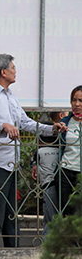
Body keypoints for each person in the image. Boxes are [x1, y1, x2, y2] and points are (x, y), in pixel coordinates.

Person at [0, 53, 67, 247]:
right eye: (13, 68)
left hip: (10, 165)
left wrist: (51, 128)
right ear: (3, 71)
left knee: (10, 217)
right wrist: (2, 126)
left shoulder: (11, 98)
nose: (16, 71)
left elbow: (25, 123)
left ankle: (12, 254)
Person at [54, 86, 82, 217]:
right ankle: (67, 238)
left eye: (81, 100)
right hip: (65, 171)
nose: (77, 104)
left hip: (80, 173)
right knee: (65, 212)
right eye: (74, 100)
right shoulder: (65, 121)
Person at [30, 130, 59, 235]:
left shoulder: (39, 152)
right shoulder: (60, 150)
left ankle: (49, 243)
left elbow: (33, 163)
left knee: (49, 216)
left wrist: (34, 166)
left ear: (40, 140)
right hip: (60, 184)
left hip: (48, 185)